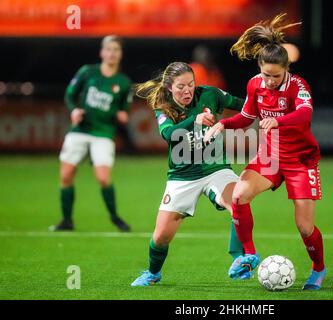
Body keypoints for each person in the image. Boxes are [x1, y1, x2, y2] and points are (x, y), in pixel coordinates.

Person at [204, 13, 327, 290]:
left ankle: (318, 268)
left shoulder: (298, 86)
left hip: (300, 160)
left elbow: (305, 115)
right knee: (238, 194)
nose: (269, 81)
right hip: (269, 157)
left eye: (275, 76)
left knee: (305, 227)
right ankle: (249, 253)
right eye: (265, 75)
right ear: (259, 68)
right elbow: (246, 118)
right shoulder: (254, 84)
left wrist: (278, 120)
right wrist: (223, 124)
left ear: (286, 70)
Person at [130, 62, 249, 286]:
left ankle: (240, 258)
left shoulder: (210, 95)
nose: (187, 91)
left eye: (191, 85)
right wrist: (193, 121)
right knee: (161, 236)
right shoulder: (163, 106)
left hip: (216, 168)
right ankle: (153, 273)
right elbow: (169, 134)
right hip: (182, 176)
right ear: (168, 88)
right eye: (181, 87)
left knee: (238, 199)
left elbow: (245, 106)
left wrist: (271, 104)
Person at [51, 35, 132, 232]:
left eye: (116, 50)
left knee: (103, 178)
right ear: (102, 52)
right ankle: (67, 220)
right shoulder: (88, 72)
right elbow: (70, 94)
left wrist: (123, 115)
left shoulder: (123, 82)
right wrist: (74, 110)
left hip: (103, 133)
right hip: (80, 130)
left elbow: (125, 110)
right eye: (109, 49)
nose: (112, 53)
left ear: (121, 54)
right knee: (66, 175)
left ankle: (114, 217)